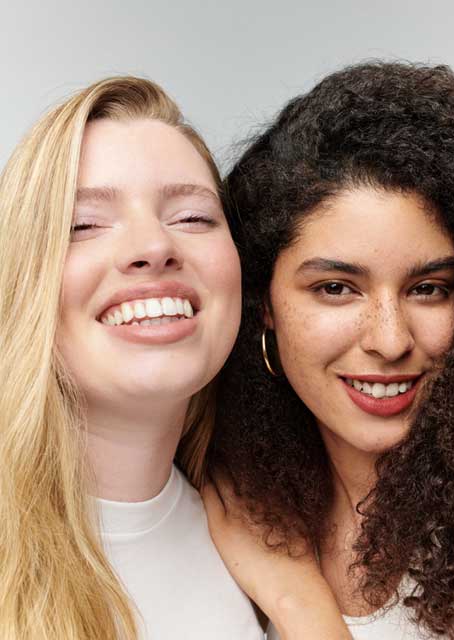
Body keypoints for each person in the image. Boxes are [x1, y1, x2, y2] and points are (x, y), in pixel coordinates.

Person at [0, 76, 351, 640]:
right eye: (84, 225)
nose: (154, 247)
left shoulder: (282, 554)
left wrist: (300, 606)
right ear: (20, 281)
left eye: (192, 217)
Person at [202, 62, 454, 639]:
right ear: (266, 304)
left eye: (429, 289)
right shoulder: (233, 491)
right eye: (336, 288)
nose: (389, 340)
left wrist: (298, 603)